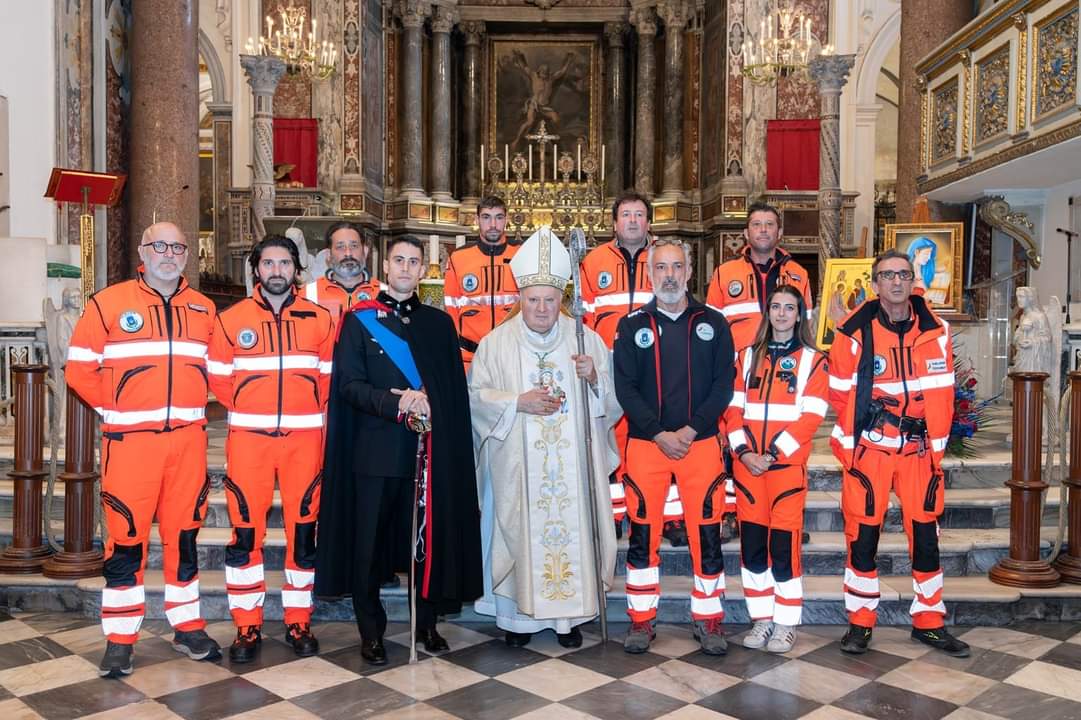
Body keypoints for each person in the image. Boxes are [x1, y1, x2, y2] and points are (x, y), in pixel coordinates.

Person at [315, 235, 483, 664]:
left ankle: (426, 622)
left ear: (423, 268)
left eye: (414, 261)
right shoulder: (360, 321)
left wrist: (433, 401)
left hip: (429, 454)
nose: (406, 268)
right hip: (375, 454)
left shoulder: (439, 324)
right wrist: (397, 402)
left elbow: (453, 391)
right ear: (385, 267)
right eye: (399, 260)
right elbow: (349, 386)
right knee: (369, 546)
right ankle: (370, 631)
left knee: (426, 544)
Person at [66, 222, 220, 678]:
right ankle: (120, 637)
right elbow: (79, 370)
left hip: (187, 445)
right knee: (126, 543)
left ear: (187, 255)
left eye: (177, 246)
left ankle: (187, 625)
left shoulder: (205, 308)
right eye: (159, 245)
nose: (168, 254)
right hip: (129, 446)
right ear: (142, 250)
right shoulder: (108, 303)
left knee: (185, 540)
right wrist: (118, 407)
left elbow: (220, 371)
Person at [470, 227, 619, 649]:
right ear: (520, 298)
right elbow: (476, 398)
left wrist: (594, 379)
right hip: (517, 467)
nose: (541, 308)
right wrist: (516, 401)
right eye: (533, 299)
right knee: (518, 533)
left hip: (571, 472)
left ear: (562, 300)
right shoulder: (495, 344)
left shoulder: (584, 339)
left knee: (571, 532)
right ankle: (517, 622)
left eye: (550, 300)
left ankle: (568, 621)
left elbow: (611, 401)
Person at [828, 249, 969, 657]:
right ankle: (860, 623)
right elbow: (839, 394)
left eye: (903, 274)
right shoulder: (853, 331)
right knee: (862, 537)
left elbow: (944, 393)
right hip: (871, 451)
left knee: (926, 538)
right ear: (874, 283)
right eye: (887, 275)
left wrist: (936, 448)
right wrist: (856, 444)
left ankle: (928, 622)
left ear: (913, 281)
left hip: (918, 452)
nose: (895, 281)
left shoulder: (936, 329)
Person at [207, 235, 335, 663]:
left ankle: (299, 619)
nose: (276, 271)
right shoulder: (231, 320)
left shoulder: (319, 320)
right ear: (256, 270)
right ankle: (247, 625)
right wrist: (253, 405)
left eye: (285, 263)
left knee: (304, 537)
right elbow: (220, 381)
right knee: (245, 536)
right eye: (268, 264)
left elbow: (328, 380)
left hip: (304, 442)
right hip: (250, 443)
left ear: (296, 270)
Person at [614, 238, 736, 655]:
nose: (669, 275)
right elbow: (625, 389)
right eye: (661, 267)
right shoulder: (631, 325)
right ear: (650, 275)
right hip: (647, 446)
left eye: (676, 267)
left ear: (688, 273)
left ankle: (709, 620)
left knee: (707, 534)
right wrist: (659, 433)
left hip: (699, 445)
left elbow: (724, 385)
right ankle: (641, 621)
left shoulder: (714, 322)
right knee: (642, 533)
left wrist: (689, 431)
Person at [725, 285, 828, 654]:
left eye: (789, 307)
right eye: (776, 307)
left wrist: (770, 453)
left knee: (783, 551)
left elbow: (811, 417)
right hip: (748, 469)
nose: (782, 313)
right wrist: (744, 451)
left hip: (784, 470)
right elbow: (732, 410)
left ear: (800, 315)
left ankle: (785, 624)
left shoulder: (814, 361)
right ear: (767, 312)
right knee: (752, 551)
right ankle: (761, 618)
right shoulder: (746, 356)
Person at [580, 192, 688, 548]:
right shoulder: (593, 261)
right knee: (613, 439)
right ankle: (613, 516)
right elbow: (585, 318)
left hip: (657, 365)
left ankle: (671, 519)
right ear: (614, 222)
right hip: (609, 368)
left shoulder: (663, 260)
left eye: (639, 215)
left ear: (648, 222)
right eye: (625, 214)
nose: (631, 221)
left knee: (661, 436)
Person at [706, 201, 814, 534]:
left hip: (784, 372)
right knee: (730, 440)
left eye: (769, 224)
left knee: (790, 442)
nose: (763, 229)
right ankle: (730, 514)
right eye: (757, 224)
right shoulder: (726, 273)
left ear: (779, 232)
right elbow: (711, 328)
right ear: (746, 233)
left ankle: (786, 512)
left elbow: (806, 323)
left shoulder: (798, 273)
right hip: (737, 371)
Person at [444, 196, 521, 368]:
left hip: (512, 354)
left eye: (499, 217)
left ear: (506, 220)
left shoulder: (521, 254)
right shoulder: (458, 257)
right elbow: (451, 308)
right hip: (470, 355)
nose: (493, 224)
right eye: (486, 217)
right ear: (477, 220)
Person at [303, 221, 379, 328]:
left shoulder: (385, 294)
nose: (348, 253)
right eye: (340, 247)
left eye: (354, 246)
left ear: (365, 251)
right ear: (328, 255)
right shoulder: (307, 295)